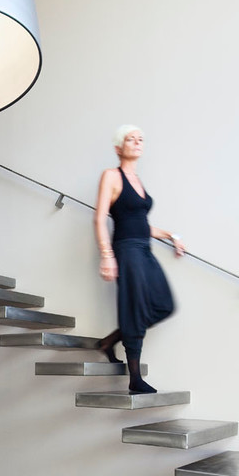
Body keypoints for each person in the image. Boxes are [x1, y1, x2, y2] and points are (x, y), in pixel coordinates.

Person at [94, 125, 184, 394]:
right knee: (134, 308)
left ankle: (109, 341)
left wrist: (171, 236)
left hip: (144, 248)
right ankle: (134, 378)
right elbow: (100, 218)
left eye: (140, 139)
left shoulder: (137, 180)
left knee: (163, 305)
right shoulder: (111, 176)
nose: (136, 142)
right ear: (118, 148)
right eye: (130, 139)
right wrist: (106, 255)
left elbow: (140, 223)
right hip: (126, 250)